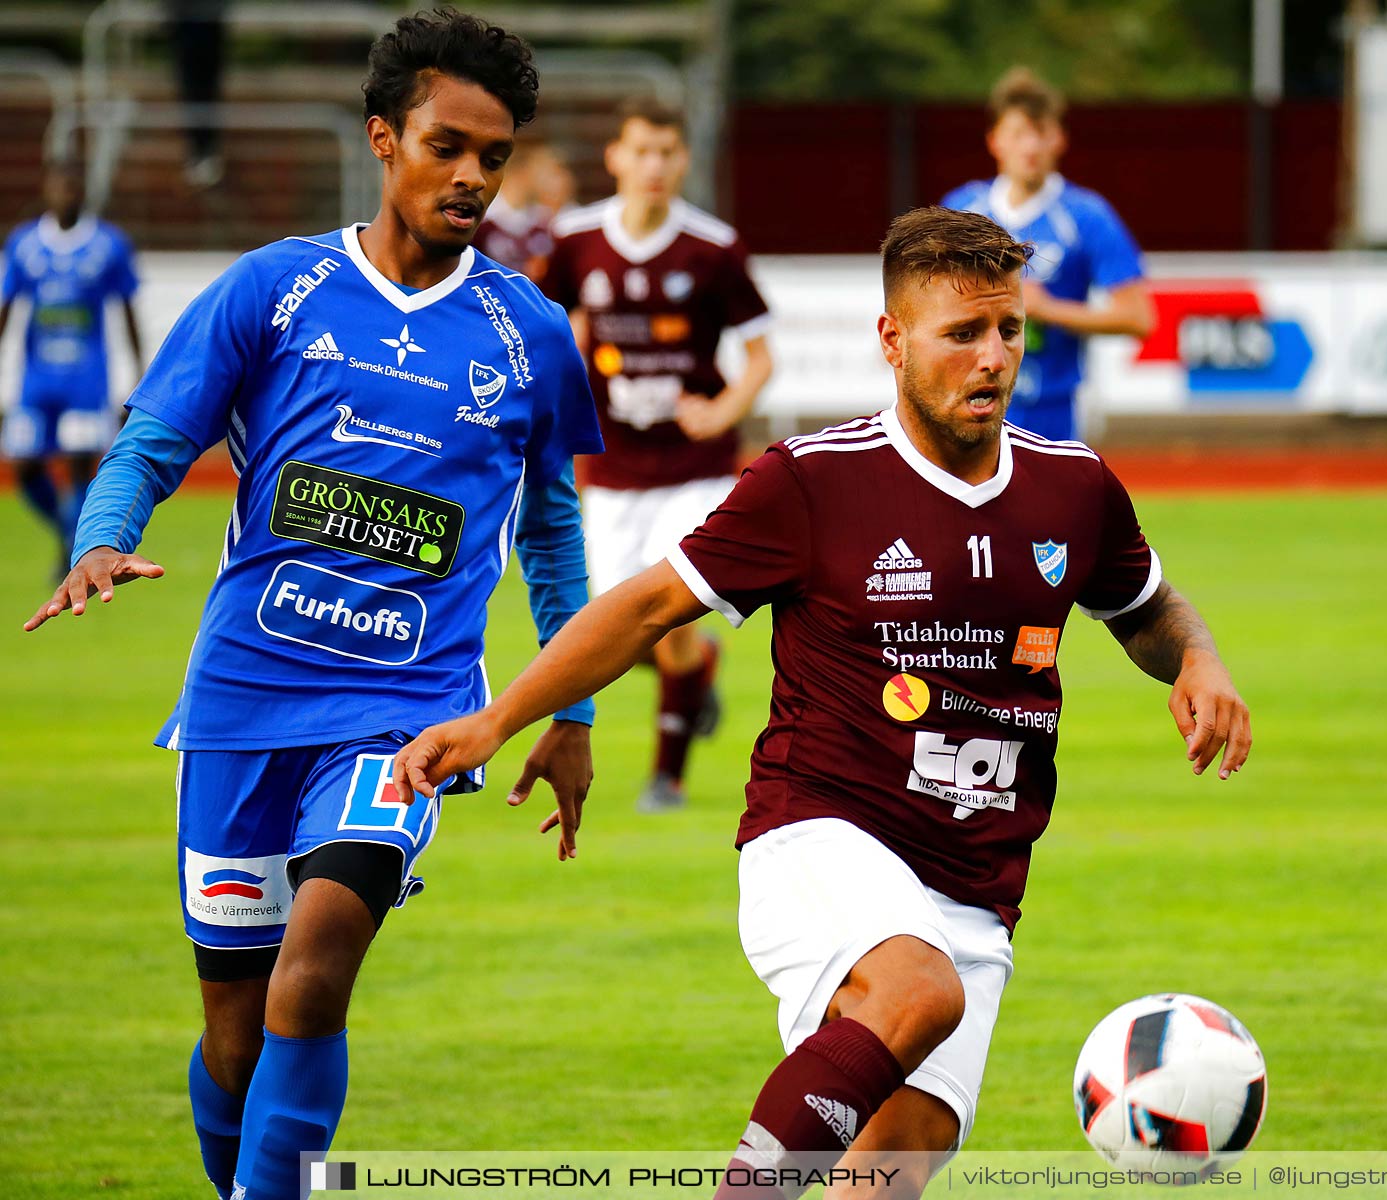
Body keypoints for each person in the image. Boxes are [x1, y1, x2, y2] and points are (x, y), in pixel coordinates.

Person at [390, 207, 1252, 1199]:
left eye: (1008, 331)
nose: (993, 358)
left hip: (977, 883)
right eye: (962, 333)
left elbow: (1148, 609)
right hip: (823, 831)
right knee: (914, 991)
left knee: (888, 1173)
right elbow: (647, 607)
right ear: (891, 341)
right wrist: (501, 720)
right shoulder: (813, 481)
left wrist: (1200, 661)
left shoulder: (1074, 489)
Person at [21, 12, 603, 1199]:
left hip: (406, 712)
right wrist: (100, 540)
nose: (474, 178)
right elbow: (148, 442)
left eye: (494, 157)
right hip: (239, 708)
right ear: (385, 139)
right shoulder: (275, 290)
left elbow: (552, 531)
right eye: (449, 146)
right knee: (235, 1029)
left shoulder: (531, 334)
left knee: (314, 970)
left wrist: (573, 712)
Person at [541, 96, 774, 813]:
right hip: (610, 469)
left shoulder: (713, 246)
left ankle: (666, 777)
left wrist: (721, 411)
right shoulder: (576, 240)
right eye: (640, 150)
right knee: (613, 623)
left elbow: (760, 358)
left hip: (692, 472)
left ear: (683, 160)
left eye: (667, 152)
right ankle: (697, 670)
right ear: (614, 156)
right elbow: (550, 332)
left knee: (663, 612)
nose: (654, 166)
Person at [943, 67, 1152, 443]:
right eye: (1018, 133)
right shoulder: (962, 210)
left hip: (1054, 410)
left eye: (1040, 133)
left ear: (1059, 139)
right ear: (994, 141)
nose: (1031, 147)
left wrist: (1046, 309)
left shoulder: (1087, 216)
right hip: (968, 402)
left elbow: (1139, 317)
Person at [1, 161, 143, 575]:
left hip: (86, 378)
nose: (65, 195)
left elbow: (127, 309)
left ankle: (74, 550)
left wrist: (138, 372)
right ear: (47, 191)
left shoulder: (109, 244)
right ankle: (68, 533)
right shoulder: (24, 243)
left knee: (81, 462)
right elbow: (9, 306)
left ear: (82, 193)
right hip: (37, 379)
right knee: (25, 466)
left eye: (72, 188)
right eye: (58, 187)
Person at [471, 144, 567, 283]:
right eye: (539, 175)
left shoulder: (544, 219)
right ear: (520, 176)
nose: (545, 182)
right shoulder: (483, 218)